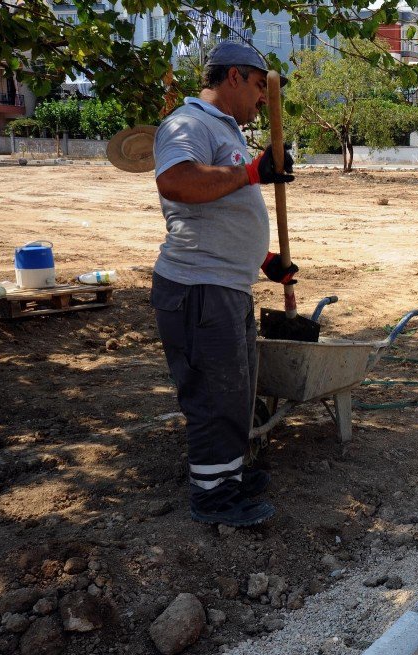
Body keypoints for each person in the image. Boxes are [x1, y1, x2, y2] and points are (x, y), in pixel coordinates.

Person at [151, 42, 297, 527]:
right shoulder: (186, 123)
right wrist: (253, 170)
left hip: (225, 286)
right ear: (234, 77)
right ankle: (213, 499)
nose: (263, 99)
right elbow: (177, 182)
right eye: (260, 87)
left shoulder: (223, 129)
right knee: (214, 394)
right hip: (198, 288)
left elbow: (219, 214)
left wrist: (265, 259)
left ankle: (226, 476)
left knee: (235, 390)